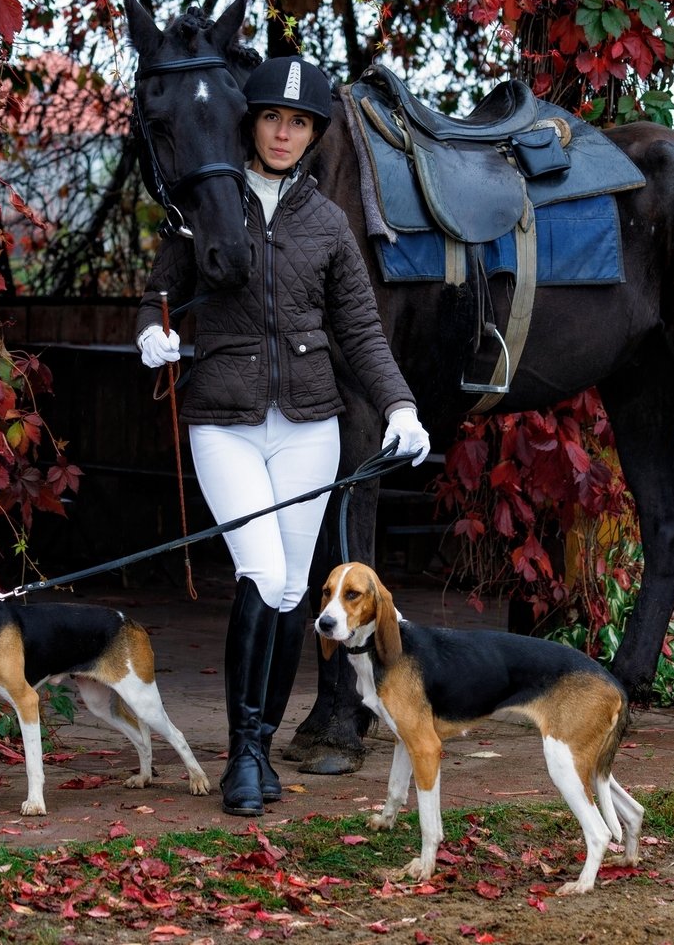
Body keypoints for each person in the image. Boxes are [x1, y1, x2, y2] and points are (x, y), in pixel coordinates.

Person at [135, 56, 430, 817]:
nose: (283, 133)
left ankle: (261, 747)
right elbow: (158, 294)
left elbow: (361, 331)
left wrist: (399, 407)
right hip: (225, 421)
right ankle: (240, 755)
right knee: (262, 576)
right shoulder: (206, 204)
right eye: (272, 118)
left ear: (313, 135)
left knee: (297, 590)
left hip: (308, 427)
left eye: (299, 123)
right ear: (250, 123)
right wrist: (150, 336)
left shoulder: (329, 225)